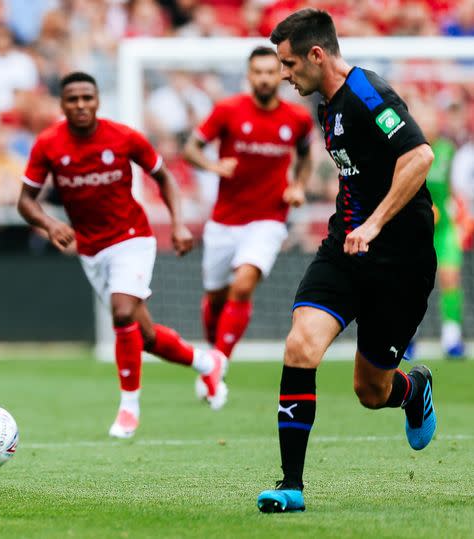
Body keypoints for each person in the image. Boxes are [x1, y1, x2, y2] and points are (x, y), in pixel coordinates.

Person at [257, 9, 437, 513]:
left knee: (370, 390)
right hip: (344, 250)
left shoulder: (368, 94)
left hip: (399, 262)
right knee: (300, 345)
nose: (285, 75)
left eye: (290, 64)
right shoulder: (326, 104)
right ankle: (291, 485)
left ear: (317, 54)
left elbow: (419, 156)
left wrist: (376, 223)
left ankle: (413, 388)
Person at [18, 71, 227, 439]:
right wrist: (51, 225)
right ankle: (206, 362)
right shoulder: (49, 144)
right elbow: (25, 201)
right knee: (141, 334)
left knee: (121, 311)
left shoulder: (124, 136)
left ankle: (129, 409)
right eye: (73, 99)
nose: (81, 105)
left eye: (88, 98)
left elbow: (165, 177)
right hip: (91, 249)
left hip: (132, 238)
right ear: (63, 104)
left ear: (97, 100)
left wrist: (178, 224)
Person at [183, 46, 313, 409]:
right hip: (224, 221)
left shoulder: (297, 119)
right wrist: (212, 167)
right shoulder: (228, 111)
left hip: (269, 218)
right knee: (216, 298)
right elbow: (191, 147)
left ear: (281, 75)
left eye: (272, 71)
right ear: (249, 75)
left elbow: (306, 157)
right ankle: (214, 357)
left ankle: (216, 365)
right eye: (258, 72)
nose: (266, 78)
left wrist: (298, 185)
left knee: (243, 284)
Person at [410, 104, 465, 359]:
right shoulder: (408, 150)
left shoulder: (447, 150)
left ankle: (452, 338)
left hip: (444, 230)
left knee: (450, 280)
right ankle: (408, 338)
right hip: (416, 231)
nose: (426, 125)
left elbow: (456, 187)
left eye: (430, 120)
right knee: (412, 286)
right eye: (422, 121)